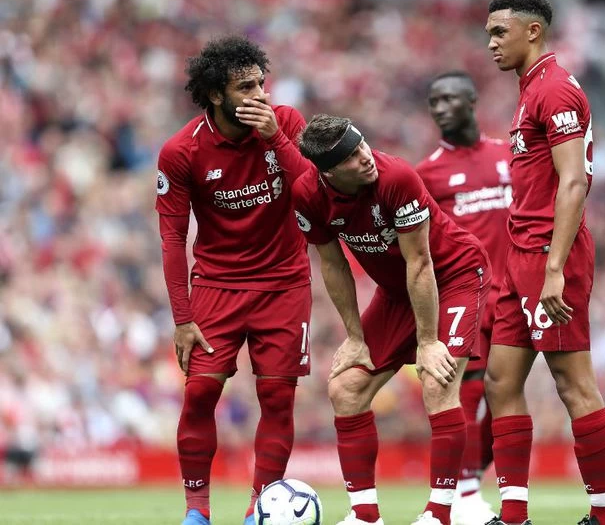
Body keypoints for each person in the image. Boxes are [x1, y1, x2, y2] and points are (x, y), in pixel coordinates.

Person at [291, 114, 491, 525]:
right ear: (328, 172)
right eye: (351, 156)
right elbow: (333, 265)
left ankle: (439, 514)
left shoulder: (396, 176)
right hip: (398, 292)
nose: (365, 157)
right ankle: (365, 516)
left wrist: (428, 341)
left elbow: (420, 263)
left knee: (437, 382)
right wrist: (354, 337)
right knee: (345, 389)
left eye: (362, 144)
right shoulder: (307, 194)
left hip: (452, 276)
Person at [155, 35, 314, 525]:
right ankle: (197, 511)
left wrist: (276, 139)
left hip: (284, 283)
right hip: (217, 285)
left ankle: (258, 510)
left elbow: (313, 194)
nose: (260, 95)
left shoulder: (285, 123)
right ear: (215, 94)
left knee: (277, 399)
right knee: (200, 394)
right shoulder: (181, 150)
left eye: (262, 83)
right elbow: (172, 238)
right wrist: (182, 319)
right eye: (246, 87)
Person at [484, 0, 605, 525]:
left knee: (573, 383)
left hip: (548, 255)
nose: (491, 43)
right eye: (489, 33)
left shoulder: (555, 90)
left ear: (532, 31)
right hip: (520, 255)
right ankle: (514, 515)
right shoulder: (531, 90)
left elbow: (573, 182)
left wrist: (556, 268)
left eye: (500, 32)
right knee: (500, 380)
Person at [415, 70, 513, 525]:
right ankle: (466, 493)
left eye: (448, 99)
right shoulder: (427, 173)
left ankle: (470, 477)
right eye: (433, 102)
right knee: (467, 390)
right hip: (468, 297)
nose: (439, 109)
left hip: (515, 295)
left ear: (471, 101)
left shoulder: (508, 155)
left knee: (506, 396)